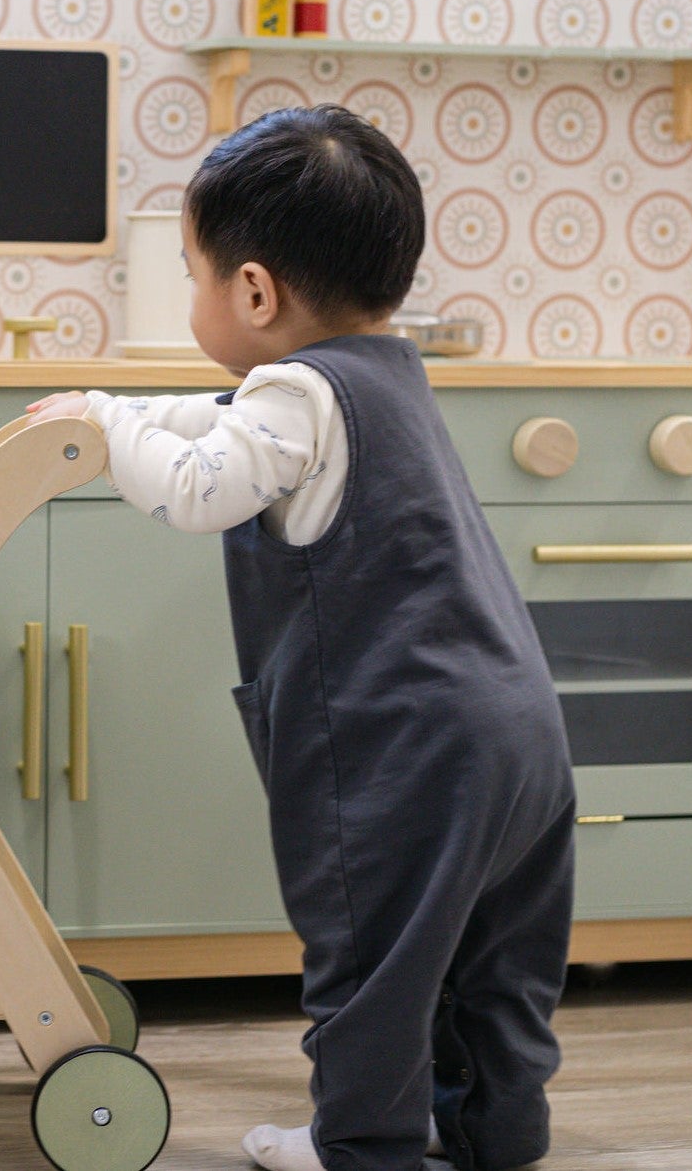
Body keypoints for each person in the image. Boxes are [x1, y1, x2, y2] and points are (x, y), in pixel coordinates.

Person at [28, 104, 576, 1171]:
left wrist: (103, 433)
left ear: (253, 291)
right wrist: (114, 404)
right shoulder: (381, 375)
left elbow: (199, 486)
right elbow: (229, 425)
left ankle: (360, 1146)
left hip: (402, 746)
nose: (194, 298)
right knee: (494, 962)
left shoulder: (295, 390)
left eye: (193, 274)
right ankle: (495, 1130)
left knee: (370, 963)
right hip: (517, 735)